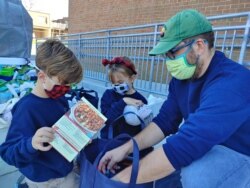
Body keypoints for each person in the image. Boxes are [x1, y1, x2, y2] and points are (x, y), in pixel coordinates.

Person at [98, 9, 250, 188]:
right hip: (204, 143)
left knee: (195, 175)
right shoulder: (182, 79)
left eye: (172, 52)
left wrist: (122, 179)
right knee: (164, 173)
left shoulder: (232, 82)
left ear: (199, 45)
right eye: (166, 55)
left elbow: (189, 142)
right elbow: (164, 122)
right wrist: (126, 149)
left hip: (238, 152)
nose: (168, 61)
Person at [0, 39, 83, 188]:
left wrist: (80, 135)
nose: (66, 89)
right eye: (62, 84)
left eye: (69, 85)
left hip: (65, 170)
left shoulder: (59, 98)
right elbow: (8, 152)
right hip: (43, 180)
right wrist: (32, 143)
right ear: (42, 77)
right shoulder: (26, 108)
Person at [100, 56, 147, 139]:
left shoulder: (140, 100)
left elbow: (143, 127)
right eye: (113, 82)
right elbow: (106, 120)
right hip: (109, 142)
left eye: (120, 82)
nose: (117, 85)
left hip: (129, 144)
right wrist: (124, 101)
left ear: (132, 78)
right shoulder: (108, 95)